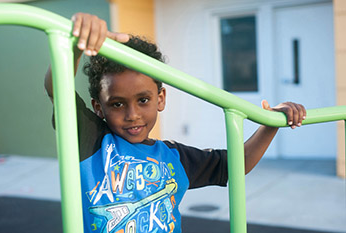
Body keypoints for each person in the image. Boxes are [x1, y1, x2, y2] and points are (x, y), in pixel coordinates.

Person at [44, 13, 306, 233]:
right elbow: (58, 88)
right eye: (117, 104)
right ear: (98, 107)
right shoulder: (91, 140)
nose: (132, 114)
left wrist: (270, 123)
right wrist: (75, 45)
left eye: (143, 100)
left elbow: (239, 163)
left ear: (161, 98)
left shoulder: (173, 157)